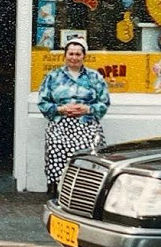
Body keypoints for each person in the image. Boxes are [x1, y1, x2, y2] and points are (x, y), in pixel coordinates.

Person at [37, 38, 111, 194]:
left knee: (89, 158)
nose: (74, 57)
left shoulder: (95, 77)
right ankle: (58, 193)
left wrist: (87, 109)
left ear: (84, 56)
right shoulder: (53, 77)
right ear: (65, 55)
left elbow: (104, 103)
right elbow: (43, 103)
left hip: (87, 124)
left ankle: (86, 194)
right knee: (56, 152)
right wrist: (60, 109)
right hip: (60, 125)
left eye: (78, 54)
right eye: (71, 54)